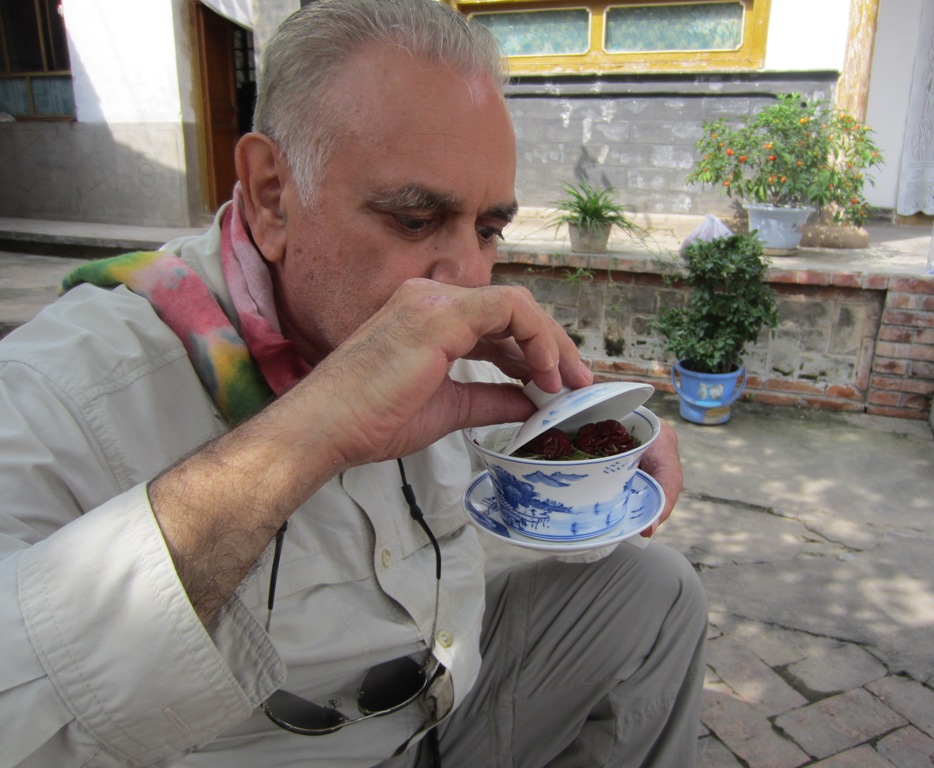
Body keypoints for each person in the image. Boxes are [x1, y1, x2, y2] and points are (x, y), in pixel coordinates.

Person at [0, 1, 707, 766]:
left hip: (451, 705)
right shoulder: (60, 387)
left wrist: (591, 440)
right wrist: (309, 434)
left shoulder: (443, 327)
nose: (466, 276)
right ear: (273, 193)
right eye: (413, 218)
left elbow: (527, 467)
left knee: (654, 592)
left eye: (489, 229)